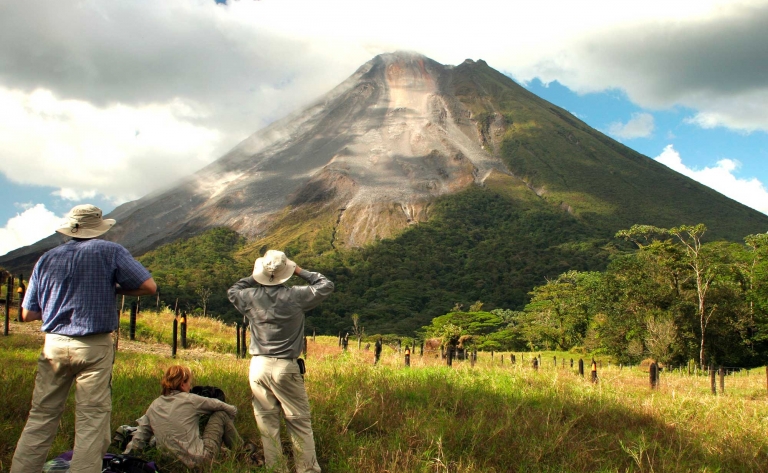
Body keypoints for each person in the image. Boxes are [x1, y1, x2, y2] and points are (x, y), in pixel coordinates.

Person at [11, 204, 156, 473]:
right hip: (93, 345)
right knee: (91, 418)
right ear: (98, 227)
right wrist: (111, 287)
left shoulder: (46, 258)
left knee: (41, 416)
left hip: (53, 344)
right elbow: (149, 286)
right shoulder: (109, 251)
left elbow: (28, 314)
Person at [228, 250, 334, 473]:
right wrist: (299, 271)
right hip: (285, 365)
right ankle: (307, 470)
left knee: (267, 425)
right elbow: (325, 284)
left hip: (258, 365)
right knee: (299, 422)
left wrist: (255, 276)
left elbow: (233, 290)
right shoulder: (296, 296)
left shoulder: (249, 297)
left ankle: (276, 469)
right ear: (287, 272)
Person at [124, 365, 250, 468]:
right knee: (221, 414)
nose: (191, 387)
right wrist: (231, 418)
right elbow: (226, 407)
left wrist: (125, 457)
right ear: (183, 384)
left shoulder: (154, 405)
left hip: (169, 464)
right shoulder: (191, 399)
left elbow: (139, 437)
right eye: (190, 383)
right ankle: (243, 453)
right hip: (199, 461)